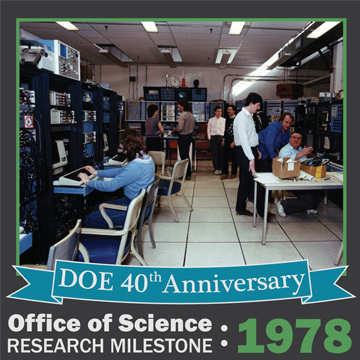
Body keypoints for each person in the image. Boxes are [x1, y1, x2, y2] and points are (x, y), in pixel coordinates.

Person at [77, 129, 155, 229]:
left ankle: (117, 241)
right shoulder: (146, 158)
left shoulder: (135, 166)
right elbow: (122, 171)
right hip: (139, 204)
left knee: (90, 219)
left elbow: (111, 186)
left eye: (122, 144)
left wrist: (88, 182)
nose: (120, 146)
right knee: (96, 208)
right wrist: (96, 172)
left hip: (134, 208)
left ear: (129, 145)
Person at [255, 112, 293, 221]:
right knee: (263, 180)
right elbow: (268, 144)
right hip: (261, 152)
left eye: (290, 123)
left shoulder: (286, 131)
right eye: (286, 122)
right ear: (281, 121)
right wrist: (275, 157)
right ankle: (262, 210)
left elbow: (286, 144)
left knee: (269, 178)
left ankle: (267, 198)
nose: (288, 125)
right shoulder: (274, 127)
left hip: (269, 153)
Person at [276, 131, 322, 217]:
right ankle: (283, 204)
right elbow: (285, 163)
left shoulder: (301, 149)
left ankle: (311, 206)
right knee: (310, 201)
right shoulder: (285, 150)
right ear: (290, 139)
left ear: (301, 140)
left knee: (321, 189)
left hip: (304, 178)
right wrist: (301, 154)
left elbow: (304, 164)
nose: (296, 140)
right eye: (294, 137)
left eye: (299, 138)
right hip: (291, 179)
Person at [233, 92, 262, 217]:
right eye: (258, 105)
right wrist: (251, 158)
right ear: (251, 103)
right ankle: (262, 212)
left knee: (244, 181)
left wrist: (257, 150)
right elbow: (244, 140)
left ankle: (240, 208)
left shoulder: (249, 116)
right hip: (244, 152)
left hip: (250, 150)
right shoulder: (241, 118)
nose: (259, 108)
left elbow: (251, 135)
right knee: (255, 181)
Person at [173, 98, 195, 179]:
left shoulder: (182, 115)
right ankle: (188, 173)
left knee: (183, 156)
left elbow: (180, 128)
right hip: (189, 136)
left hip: (183, 137)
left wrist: (175, 129)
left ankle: (185, 174)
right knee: (187, 155)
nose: (178, 106)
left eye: (178, 105)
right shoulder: (191, 115)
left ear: (182, 106)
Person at [220, 105, 238, 180]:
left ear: (234, 111)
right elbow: (225, 130)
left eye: (230, 109)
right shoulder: (226, 119)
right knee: (225, 157)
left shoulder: (237, 119)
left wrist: (234, 141)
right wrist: (223, 140)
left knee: (234, 157)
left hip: (235, 140)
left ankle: (234, 173)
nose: (228, 111)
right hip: (227, 140)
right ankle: (225, 173)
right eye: (228, 109)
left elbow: (237, 131)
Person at [207, 106, 226, 175]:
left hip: (221, 137)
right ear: (215, 112)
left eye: (220, 111)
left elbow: (225, 130)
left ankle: (220, 168)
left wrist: (224, 138)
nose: (219, 113)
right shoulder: (211, 120)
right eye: (218, 111)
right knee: (214, 154)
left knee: (221, 154)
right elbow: (208, 129)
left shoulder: (224, 120)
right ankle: (216, 168)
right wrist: (210, 138)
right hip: (214, 137)